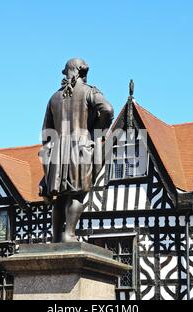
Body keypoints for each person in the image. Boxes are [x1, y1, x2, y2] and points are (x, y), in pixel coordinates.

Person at [39, 58, 114, 243]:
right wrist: (96, 128)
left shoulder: (53, 98)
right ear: (81, 72)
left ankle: (57, 236)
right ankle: (69, 234)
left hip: (58, 150)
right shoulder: (89, 92)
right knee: (78, 193)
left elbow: (46, 133)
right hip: (80, 147)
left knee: (60, 197)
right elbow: (108, 109)